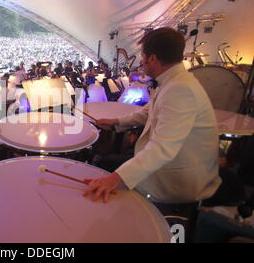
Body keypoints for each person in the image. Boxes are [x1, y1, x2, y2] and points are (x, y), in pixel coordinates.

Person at [84, 27, 221, 206]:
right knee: (106, 164)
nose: (141, 61)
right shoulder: (175, 81)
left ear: (153, 58)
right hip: (167, 166)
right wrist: (116, 122)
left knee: (105, 173)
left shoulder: (180, 90)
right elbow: (147, 112)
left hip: (176, 178)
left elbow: (162, 148)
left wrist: (115, 178)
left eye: (142, 56)